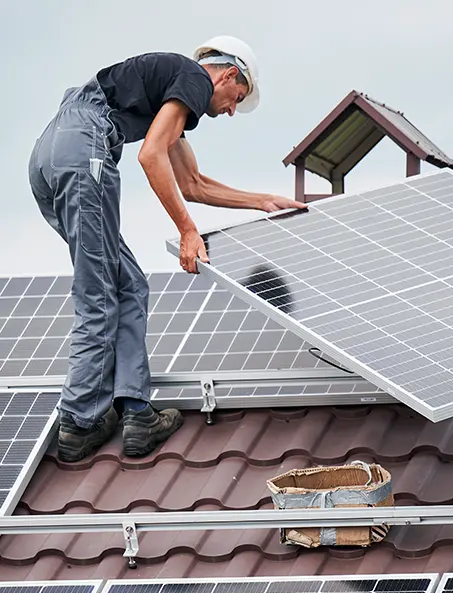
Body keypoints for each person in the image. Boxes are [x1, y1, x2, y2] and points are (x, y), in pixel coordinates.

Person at [28, 36, 307, 462]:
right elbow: (150, 155)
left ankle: (135, 410)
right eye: (238, 97)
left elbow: (193, 184)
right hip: (84, 152)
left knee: (128, 284)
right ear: (229, 74)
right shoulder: (194, 78)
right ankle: (79, 422)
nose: (232, 110)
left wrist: (261, 200)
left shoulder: (168, 96)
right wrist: (188, 232)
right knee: (99, 294)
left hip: (52, 155)